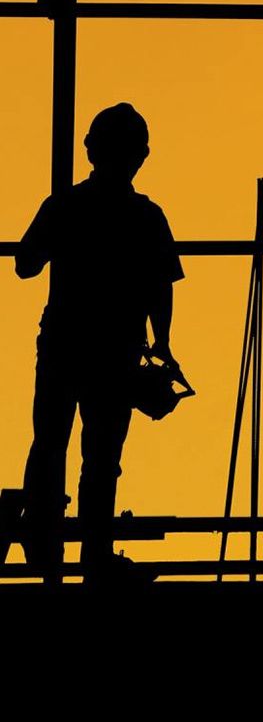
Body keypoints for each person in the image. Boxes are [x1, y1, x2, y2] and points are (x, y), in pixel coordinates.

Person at [15, 103, 184, 585]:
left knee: (50, 443)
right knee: (102, 455)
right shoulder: (147, 216)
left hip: (65, 342)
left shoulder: (65, 206)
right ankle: (94, 554)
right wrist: (162, 343)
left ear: (90, 150)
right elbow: (161, 287)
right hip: (115, 351)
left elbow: (25, 264)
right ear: (141, 156)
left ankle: (44, 550)